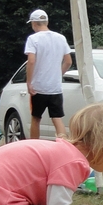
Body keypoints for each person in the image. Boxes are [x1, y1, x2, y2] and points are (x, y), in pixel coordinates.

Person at [23, 9, 73, 140]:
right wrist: (58, 74)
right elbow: (68, 61)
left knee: (36, 118)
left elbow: (31, 61)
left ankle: (35, 145)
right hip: (55, 87)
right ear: (47, 22)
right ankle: (63, 144)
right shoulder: (61, 38)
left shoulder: (33, 39)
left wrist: (29, 82)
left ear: (34, 23)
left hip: (38, 87)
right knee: (57, 118)